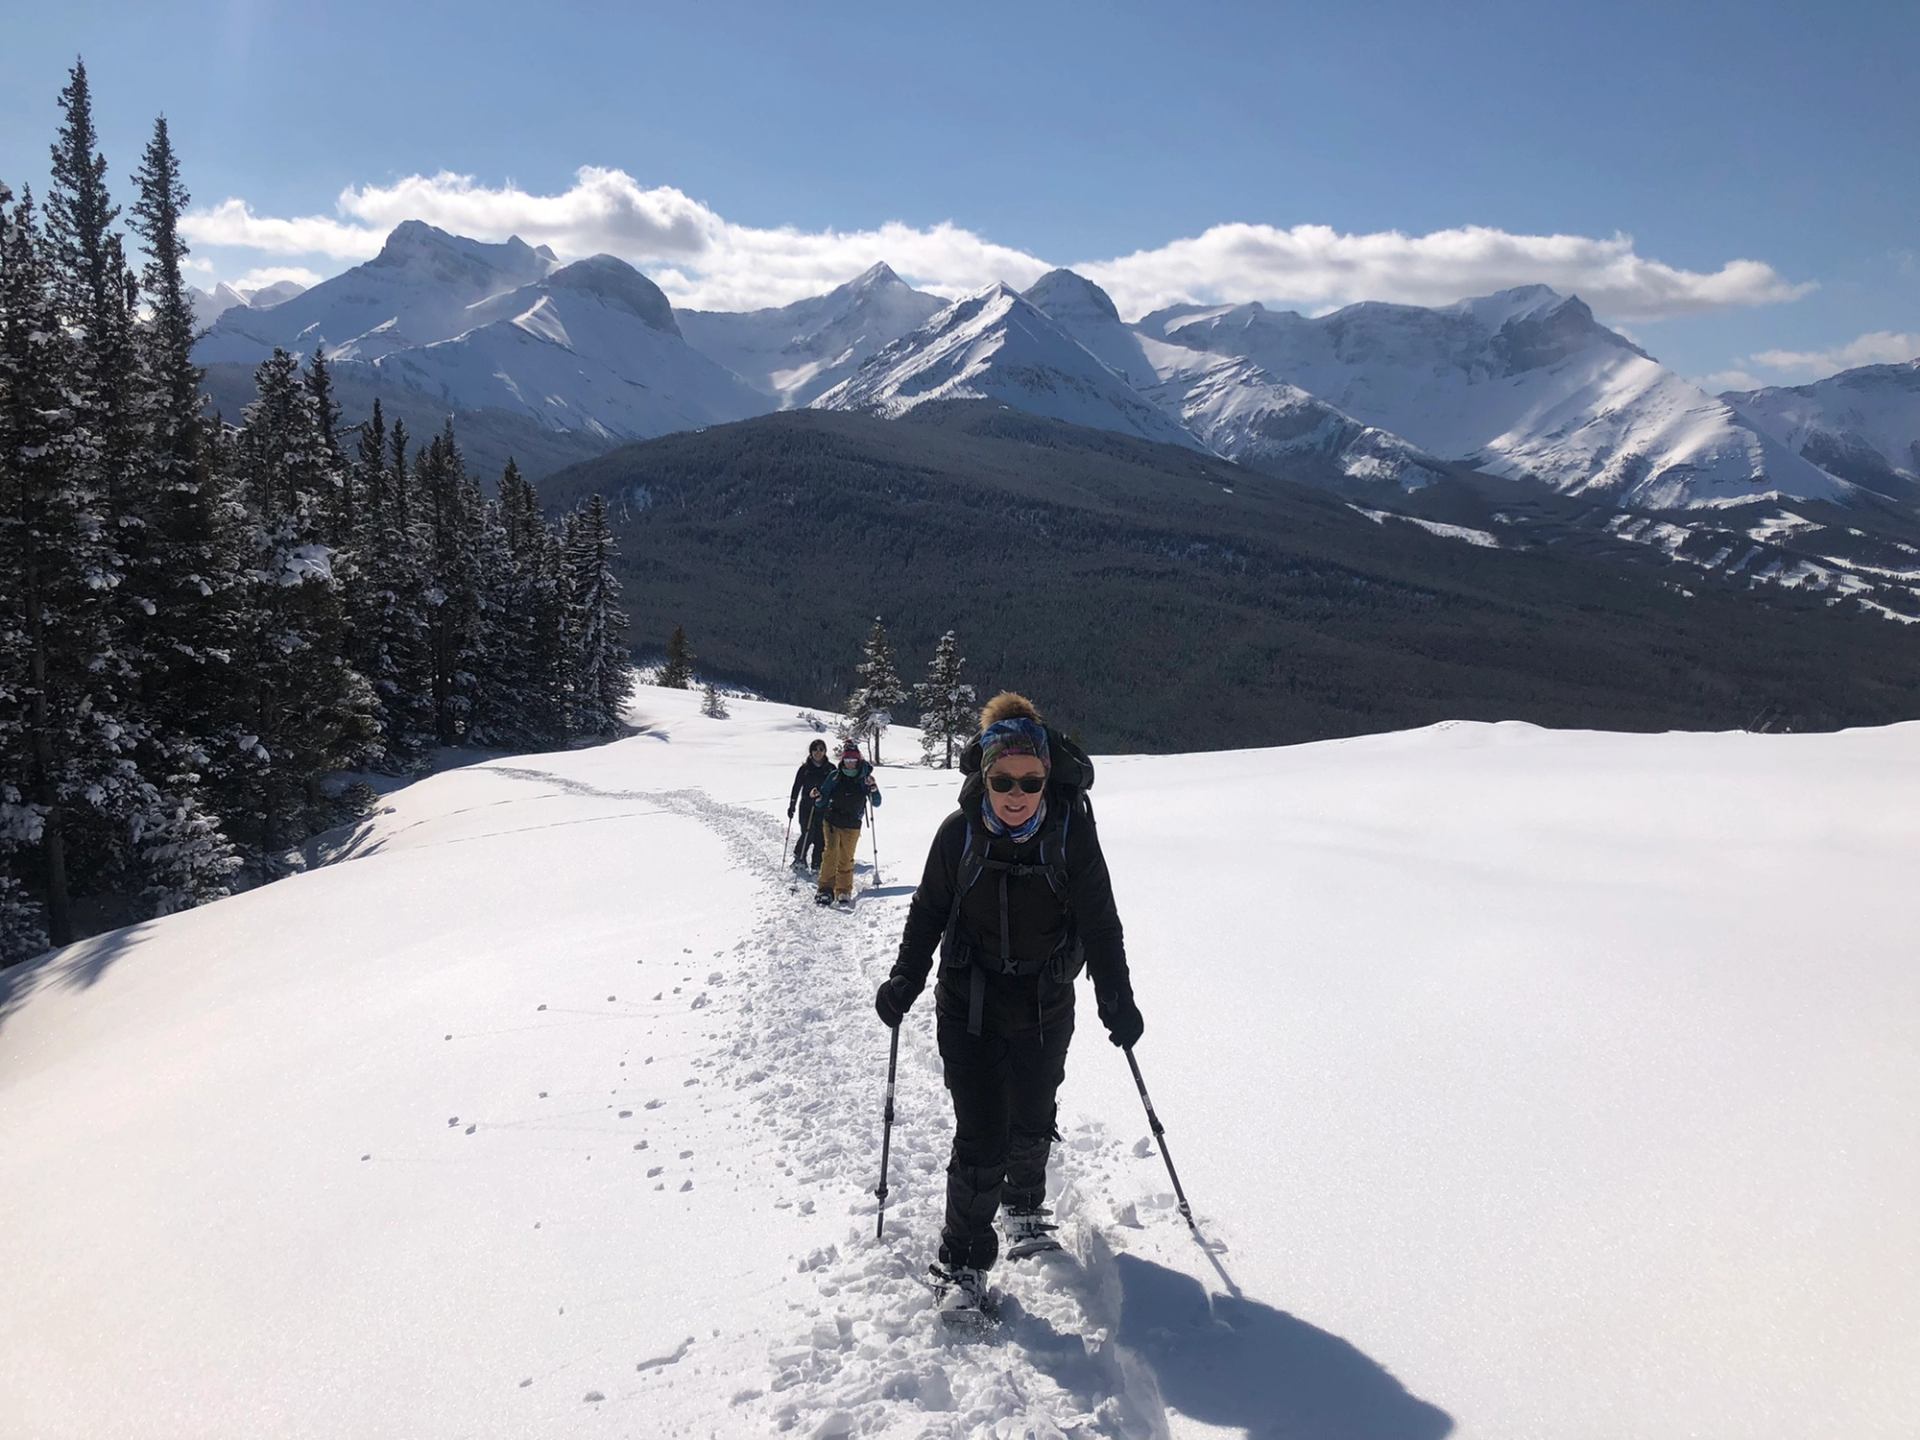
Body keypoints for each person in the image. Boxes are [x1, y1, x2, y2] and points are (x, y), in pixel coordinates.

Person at [874, 692, 1144, 1316]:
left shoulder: (1071, 833)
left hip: (1047, 1001)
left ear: (1049, 777)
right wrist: (904, 982)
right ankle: (963, 1260)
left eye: (1031, 780)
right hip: (968, 1004)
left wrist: (1117, 999)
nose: (1016, 792)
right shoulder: (958, 834)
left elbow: (1100, 922)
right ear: (983, 776)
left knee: (1033, 1110)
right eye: (1002, 779)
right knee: (981, 1131)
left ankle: (1023, 1202)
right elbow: (929, 914)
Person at [810, 741, 880, 907]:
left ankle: (843, 890)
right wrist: (818, 798)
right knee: (831, 853)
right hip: (832, 820)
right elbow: (823, 800)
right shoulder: (834, 776)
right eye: (847, 760)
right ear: (843, 760)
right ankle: (825, 889)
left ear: (858, 760)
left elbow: (876, 802)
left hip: (852, 823)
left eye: (852, 760)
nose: (849, 763)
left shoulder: (866, 778)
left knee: (846, 857)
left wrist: (874, 789)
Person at [788, 739, 832, 873]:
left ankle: (817, 863)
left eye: (821, 750)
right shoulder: (804, 769)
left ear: (825, 752)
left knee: (820, 835)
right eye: (815, 749)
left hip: (823, 807)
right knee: (808, 832)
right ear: (811, 752)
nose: (818, 753)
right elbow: (796, 787)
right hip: (807, 806)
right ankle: (799, 857)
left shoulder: (830, 769)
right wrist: (792, 805)